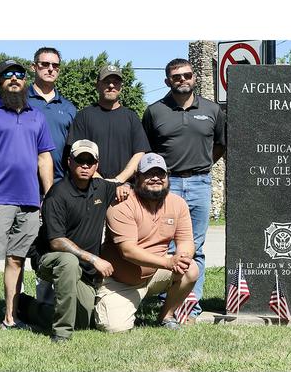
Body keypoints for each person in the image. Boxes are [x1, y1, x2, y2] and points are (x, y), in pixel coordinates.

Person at [0, 59, 54, 336]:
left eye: (18, 75)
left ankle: (10, 317)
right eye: (7, 75)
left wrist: (48, 197)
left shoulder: (36, 116)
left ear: (25, 81)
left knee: (17, 260)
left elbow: (44, 158)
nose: (13, 79)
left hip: (29, 202)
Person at [141, 58, 225, 313]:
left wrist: (202, 164)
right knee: (164, 244)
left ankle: (190, 304)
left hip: (200, 182)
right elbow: (145, 152)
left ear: (194, 77)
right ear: (167, 81)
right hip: (166, 185)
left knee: (195, 246)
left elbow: (221, 144)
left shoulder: (212, 110)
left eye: (187, 75)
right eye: (176, 77)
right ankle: (163, 300)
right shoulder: (155, 111)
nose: (182, 80)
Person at [24, 140, 129, 342]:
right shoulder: (57, 194)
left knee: (84, 320)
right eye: (80, 160)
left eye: (90, 161)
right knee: (68, 262)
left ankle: (28, 307)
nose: (85, 165)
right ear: (69, 161)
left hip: (85, 270)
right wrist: (94, 259)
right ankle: (61, 333)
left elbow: (125, 187)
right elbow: (56, 241)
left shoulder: (101, 187)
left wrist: (125, 187)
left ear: (97, 165)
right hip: (50, 259)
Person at [94, 153, 199, 333]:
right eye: (149, 174)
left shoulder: (178, 203)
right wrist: (168, 262)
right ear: (137, 177)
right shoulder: (122, 204)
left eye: (161, 174)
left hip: (155, 274)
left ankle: (166, 316)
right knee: (114, 328)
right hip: (121, 281)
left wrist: (183, 257)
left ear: (167, 177)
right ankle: (98, 304)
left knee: (190, 269)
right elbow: (128, 251)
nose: (156, 178)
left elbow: (186, 242)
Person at [65, 64, 150, 183]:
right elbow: (75, 154)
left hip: (125, 188)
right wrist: (101, 182)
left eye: (116, 82)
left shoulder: (131, 117)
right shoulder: (84, 116)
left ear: (121, 86)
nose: (111, 85)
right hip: (90, 187)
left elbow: (139, 153)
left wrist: (119, 180)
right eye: (107, 81)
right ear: (97, 85)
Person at [27, 47, 77, 182]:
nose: (50, 69)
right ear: (33, 67)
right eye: (45, 64)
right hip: (24, 182)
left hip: (59, 183)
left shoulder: (69, 108)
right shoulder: (20, 101)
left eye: (55, 65)